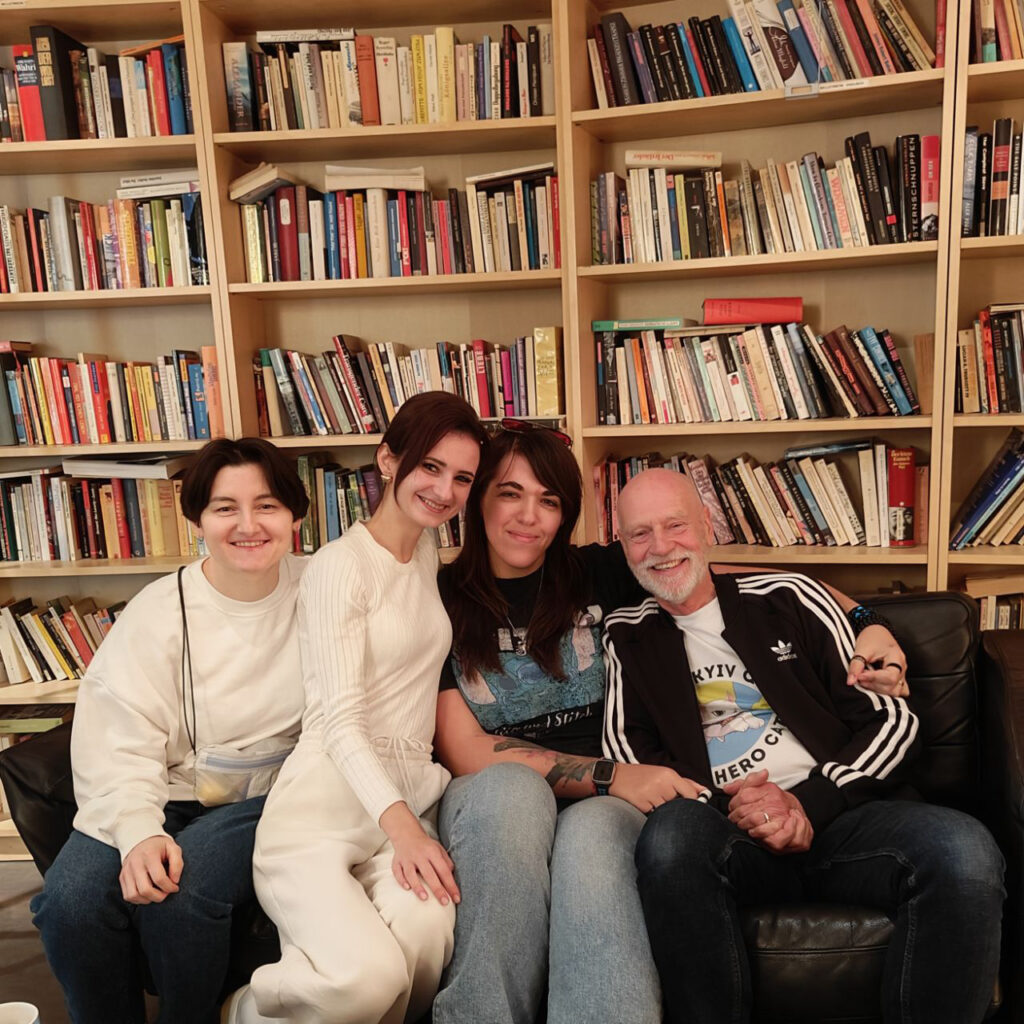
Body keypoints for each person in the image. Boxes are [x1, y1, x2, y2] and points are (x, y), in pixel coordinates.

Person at [433, 423, 911, 1024]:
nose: (529, 517)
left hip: (609, 796)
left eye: (549, 500)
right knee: (511, 794)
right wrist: (615, 775)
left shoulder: (596, 572)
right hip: (508, 785)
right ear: (477, 499)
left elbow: (718, 570)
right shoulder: (438, 598)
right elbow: (464, 749)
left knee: (592, 838)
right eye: (509, 493)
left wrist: (870, 621)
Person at [602, 467, 1005, 1024]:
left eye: (676, 525)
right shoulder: (624, 635)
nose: (661, 547)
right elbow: (630, 757)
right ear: (619, 544)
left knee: (964, 851)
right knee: (669, 843)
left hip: (845, 816)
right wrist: (738, 810)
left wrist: (807, 804)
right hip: (725, 830)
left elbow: (893, 720)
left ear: (707, 526)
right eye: (640, 533)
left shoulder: (790, 597)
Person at [31, 437, 310, 1024]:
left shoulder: (323, 592)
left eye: (267, 505)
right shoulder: (158, 611)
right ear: (198, 521)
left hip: (281, 794)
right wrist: (137, 832)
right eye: (224, 508)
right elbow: (119, 738)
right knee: (71, 903)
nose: (248, 525)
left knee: (183, 892)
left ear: (294, 514)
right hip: (168, 792)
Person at [229, 392, 488, 1024]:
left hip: (401, 802)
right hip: (320, 812)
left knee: (428, 939)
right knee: (368, 980)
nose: (445, 490)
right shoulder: (338, 568)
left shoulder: (426, 553)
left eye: (462, 478)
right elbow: (341, 722)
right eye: (430, 467)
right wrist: (403, 830)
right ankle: (248, 1009)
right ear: (388, 460)